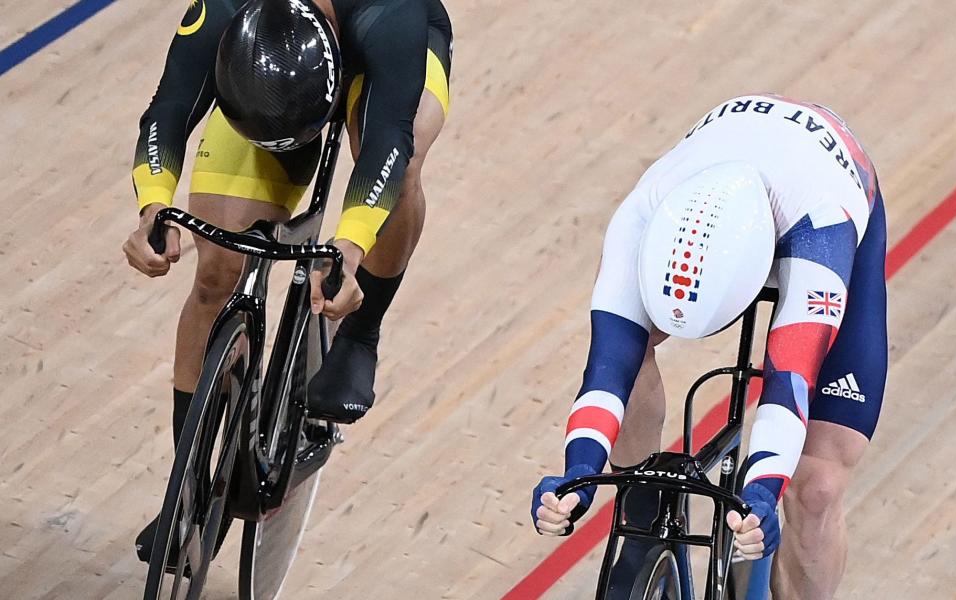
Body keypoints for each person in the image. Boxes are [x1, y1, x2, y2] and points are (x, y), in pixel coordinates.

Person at [122, 0, 452, 562]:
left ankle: (361, 336)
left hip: (381, 58)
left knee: (408, 160)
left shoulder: (388, 14)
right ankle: (187, 490)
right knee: (217, 271)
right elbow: (168, 108)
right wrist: (154, 207)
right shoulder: (224, 10)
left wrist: (350, 247)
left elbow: (387, 143)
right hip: (270, 83)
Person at [531, 93, 887, 599]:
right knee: (628, 352)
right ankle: (643, 506)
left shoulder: (824, 228)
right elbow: (606, 372)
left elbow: (790, 387)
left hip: (829, 185)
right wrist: (579, 470)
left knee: (816, 487)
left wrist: (763, 492)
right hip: (725, 165)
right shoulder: (641, 216)